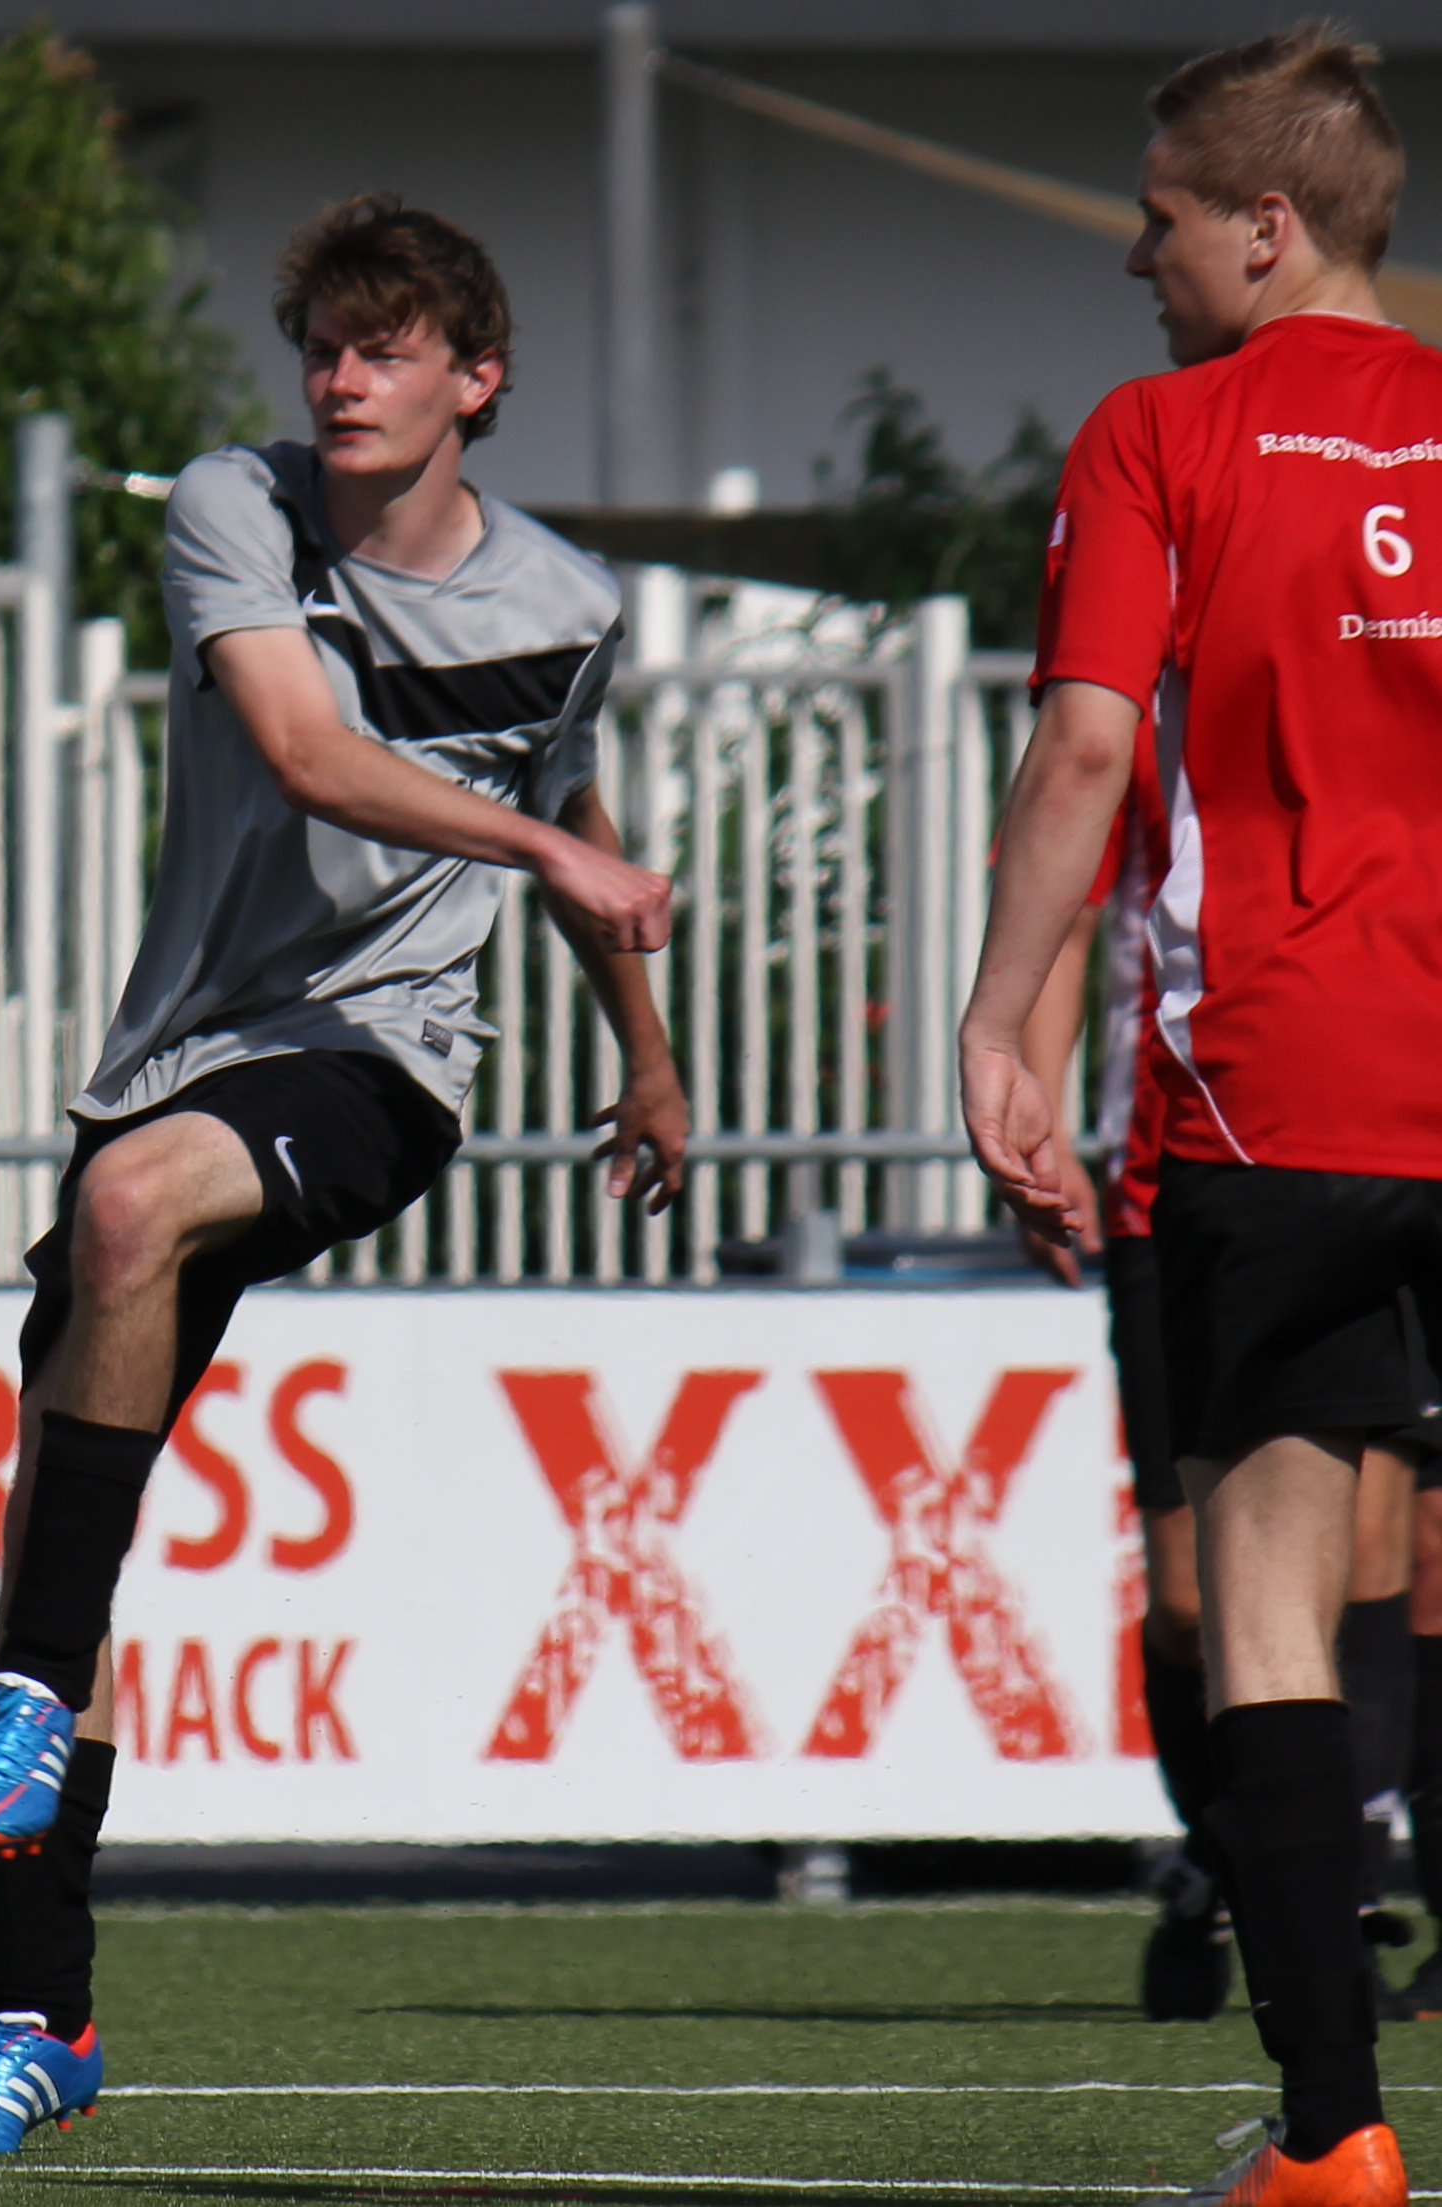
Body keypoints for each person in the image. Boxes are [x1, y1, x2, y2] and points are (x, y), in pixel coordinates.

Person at [0, 196, 688, 2158]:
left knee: (124, 1223)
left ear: (474, 380)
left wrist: (648, 1055)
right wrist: (560, 854)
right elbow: (309, 751)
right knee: (60, 1528)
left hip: (379, 1063)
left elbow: (563, 794)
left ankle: (19, 1697)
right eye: (324, 346)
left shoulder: (565, 598)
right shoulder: (232, 511)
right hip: (175, 1058)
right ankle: (36, 2020)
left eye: (385, 349)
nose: (341, 379)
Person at [963, 26, 1427, 2203]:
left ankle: (1333, 2134)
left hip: (1278, 1093)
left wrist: (997, 1017)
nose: (1132, 258)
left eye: (1156, 219)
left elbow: (1081, 751)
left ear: (1263, 227)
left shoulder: (1160, 433)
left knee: (1258, 1594)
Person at [1013, 814, 1419, 2027]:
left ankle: (1336, 1899)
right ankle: (1220, 1860)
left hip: (1380, 1138)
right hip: (1183, 1176)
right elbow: (1067, 905)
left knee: (1370, 1549)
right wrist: (1037, 1105)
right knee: (1196, 1595)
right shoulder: (1149, 718)